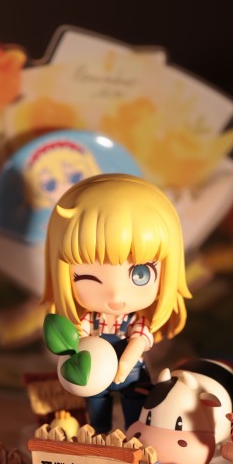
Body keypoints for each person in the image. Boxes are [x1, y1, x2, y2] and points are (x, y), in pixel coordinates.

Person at [42, 173, 190, 433]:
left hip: (130, 373)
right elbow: (76, 341)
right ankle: (99, 435)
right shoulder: (89, 319)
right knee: (97, 411)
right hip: (95, 374)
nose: (115, 295)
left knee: (135, 410)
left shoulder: (136, 321)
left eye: (140, 274)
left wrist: (123, 367)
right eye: (88, 277)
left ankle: (134, 435)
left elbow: (138, 342)